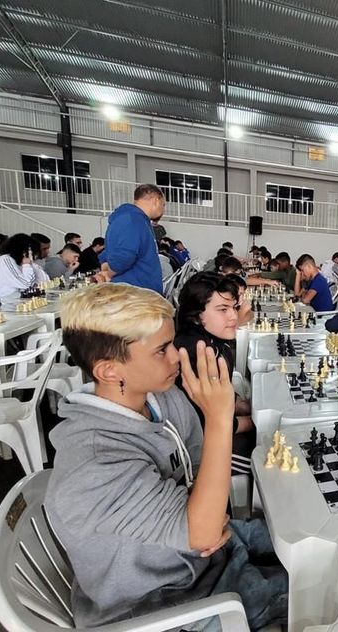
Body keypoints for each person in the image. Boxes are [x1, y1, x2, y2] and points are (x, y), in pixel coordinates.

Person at [46, 283, 287, 629]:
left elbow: (202, 473)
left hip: (202, 555)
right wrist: (219, 416)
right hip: (163, 601)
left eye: (172, 343)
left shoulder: (162, 397)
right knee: (318, 590)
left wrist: (206, 516)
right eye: (161, 350)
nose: (177, 355)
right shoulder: (95, 465)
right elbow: (202, 532)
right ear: (109, 371)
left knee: (318, 542)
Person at [174, 272, 255, 475]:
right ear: (196, 316)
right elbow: (204, 421)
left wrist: (240, 404)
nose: (234, 316)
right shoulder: (195, 352)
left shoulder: (214, 340)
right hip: (197, 445)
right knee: (262, 465)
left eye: (234, 308)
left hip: (216, 427)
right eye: (222, 309)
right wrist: (250, 423)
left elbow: (219, 392)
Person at [98, 184, 164, 293]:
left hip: (137, 293)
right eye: (163, 204)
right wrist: (109, 273)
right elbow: (124, 255)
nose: (163, 209)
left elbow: (108, 254)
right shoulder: (132, 220)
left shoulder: (135, 220)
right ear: (156, 200)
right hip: (135, 296)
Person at [0, 233, 50, 299]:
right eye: (31, 252)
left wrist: (30, 264)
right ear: (24, 251)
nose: (32, 256)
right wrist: (27, 265)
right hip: (2, 304)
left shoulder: (19, 262)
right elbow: (26, 284)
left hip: (14, 301)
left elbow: (44, 281)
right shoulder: (5, 260)